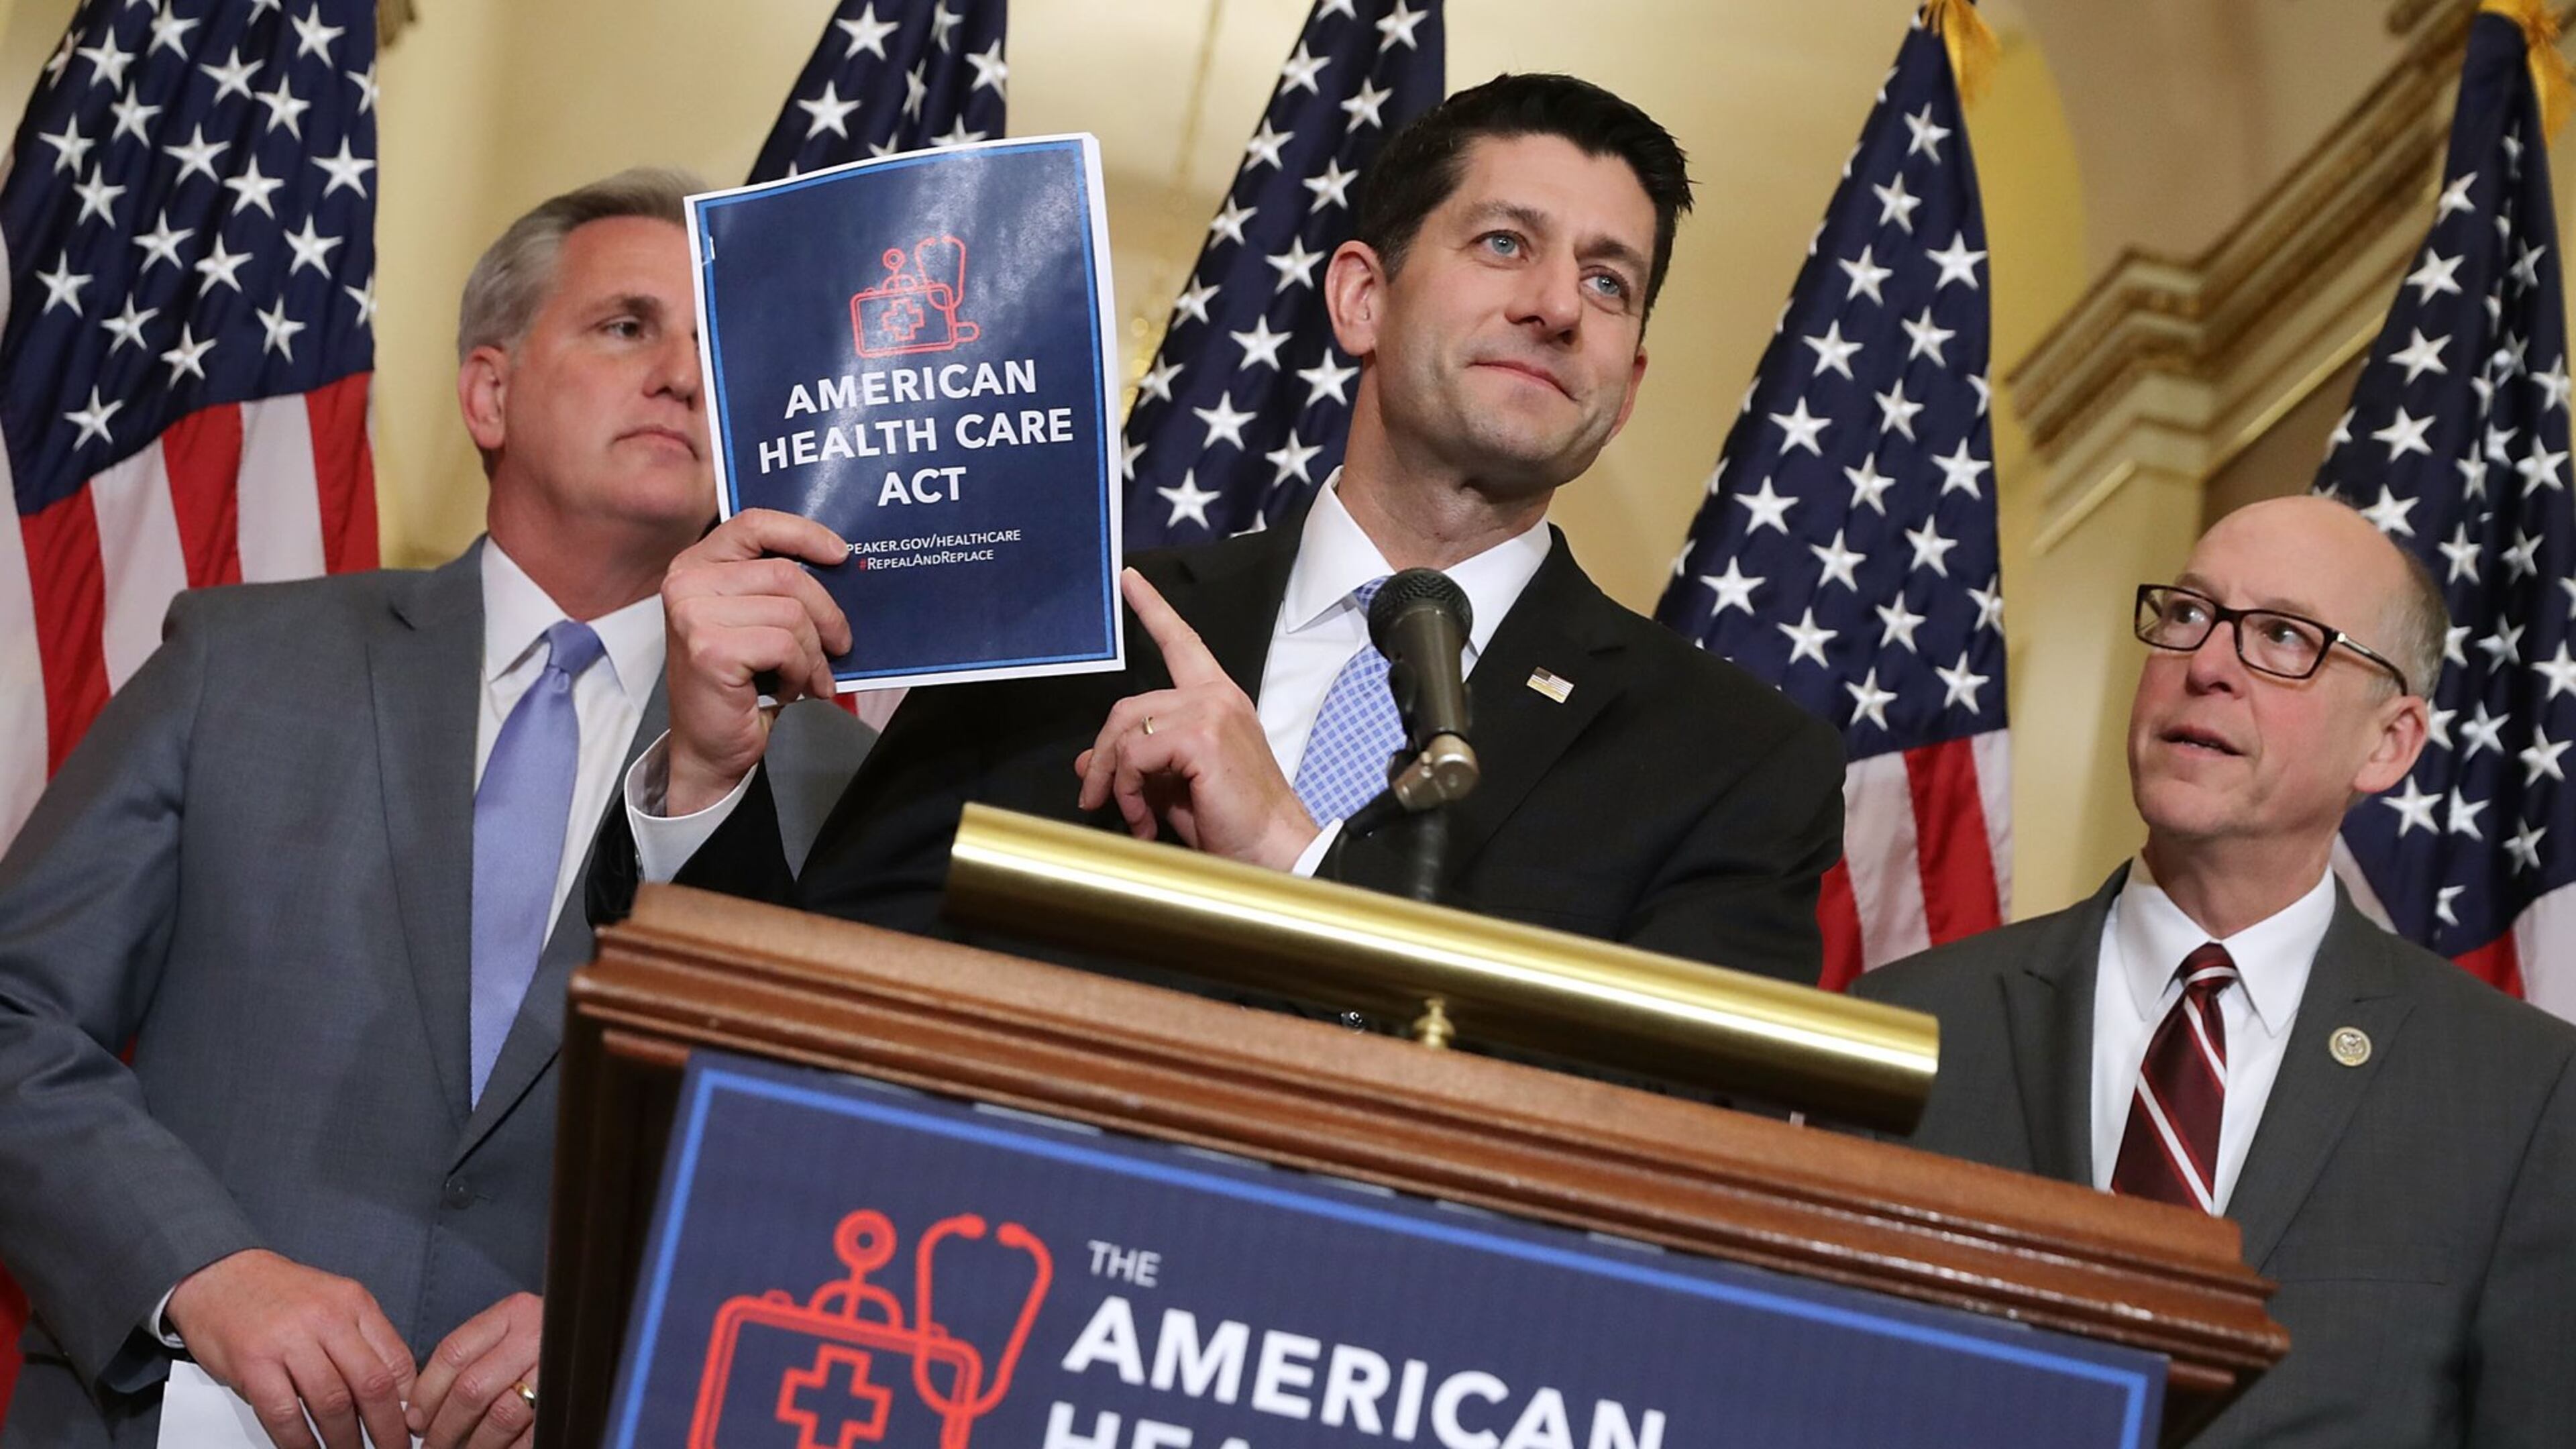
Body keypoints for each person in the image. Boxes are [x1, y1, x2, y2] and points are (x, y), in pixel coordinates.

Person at [611, 73, 1846, 987]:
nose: (1554, 307)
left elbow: (1676, 1148)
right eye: (1506, 243)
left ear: (1626, 387)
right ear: (1363, 297)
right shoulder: (1071, 628)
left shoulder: (1733, 766)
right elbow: (819, 1008)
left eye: (1607, 282)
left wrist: (1297, 870)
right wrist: (710, 781)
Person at [0, 170, 867, 1449]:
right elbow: (17, 1016)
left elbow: (849, 1175)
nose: (683, 374)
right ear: (490, 391)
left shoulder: (830, 780)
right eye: (628, 326)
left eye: (715, 344)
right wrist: (203, 1274)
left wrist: (627, 1310)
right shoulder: (238, 661)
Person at [1856, 496, 2576, 1446]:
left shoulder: (2520, 1092)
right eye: (2189, 615)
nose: (2205, 668)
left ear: (2390, 741)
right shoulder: (1911, 1025)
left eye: (2283, 636)